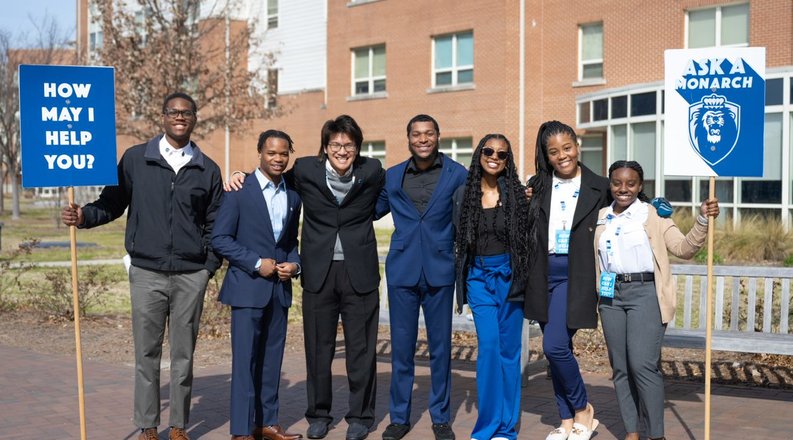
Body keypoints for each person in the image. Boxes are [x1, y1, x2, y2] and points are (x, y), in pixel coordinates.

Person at [61, 92, 224, 440]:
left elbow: (215, 224)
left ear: (195, 119)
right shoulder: (136, 159)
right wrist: (84, 216)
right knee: (146, 354)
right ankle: (149, 425)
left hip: (190, 275)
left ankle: (179, 425)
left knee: (183, 355)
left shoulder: (207, 169)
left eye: (187, 113)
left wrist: (207, 268)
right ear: (162, 117)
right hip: (147, 274)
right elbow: (112, 203)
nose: (180, 117)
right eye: (173, 112)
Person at [228, 115, 384, 440]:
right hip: (318, 271)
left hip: (360, 272)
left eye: (349, 145)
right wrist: (239, 175)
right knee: (318, 348)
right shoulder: (305, 170)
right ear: (325, 147)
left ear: (358, 148)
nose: (342, 150)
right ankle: (318, 414)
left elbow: (385, 200)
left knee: (361, 348)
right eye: (336, 144)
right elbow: (272, 178)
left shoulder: (372, 171)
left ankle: (360, 416)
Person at [595, 160, 719, 440]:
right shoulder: (602, 215)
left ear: (640, 186)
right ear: (610, 184)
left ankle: (656, 434)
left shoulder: (653, 215)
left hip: (646, 294)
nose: (623, 188)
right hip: (610, 295)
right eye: (617, 182)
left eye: (630, 183)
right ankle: (632, 430)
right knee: (621, 367)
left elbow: (684, 248)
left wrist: (702, 219)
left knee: (642, 364)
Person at [375, 114, 467, 440]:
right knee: (402, 348)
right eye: (417, 134)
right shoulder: (392, 176)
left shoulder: (458, 174)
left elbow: (473, 213)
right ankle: (399, 417)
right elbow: (367, 209)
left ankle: (441, 417)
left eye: (429, 133)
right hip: (402, 272)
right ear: (409, 139)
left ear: (438, 136)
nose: (423, 139)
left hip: (440, 272)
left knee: (440, 349)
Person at [211, 130, 303, 440]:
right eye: (271, 153)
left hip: (279, 291)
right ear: (259, 153)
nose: (278, 159)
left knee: (271, 362)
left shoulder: (292, 196)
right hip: (248, 289)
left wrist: (295, 264)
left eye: (283, 154)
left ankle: (267, 423)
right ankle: (241, 430)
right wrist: (255, 262)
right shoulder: (238, 190)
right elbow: (220, 239)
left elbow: (290, 241)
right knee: (245, 362)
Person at [524, 121, 604, 440]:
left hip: (577, 272)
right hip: (543, 272)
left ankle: (584, 409)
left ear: (577, 145)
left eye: (567, 148)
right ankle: (567, 420)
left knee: (554, 346)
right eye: (554, 151)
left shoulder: (601, 186)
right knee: (561, 347)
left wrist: (658, 211)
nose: (563, 156)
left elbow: (633, 207)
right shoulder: (538, 184)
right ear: (547, 155)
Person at [452, 134, 531, 440]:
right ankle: (486, 427)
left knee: (509, 352)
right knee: (488, 348)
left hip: (510, 278)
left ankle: (506, 428)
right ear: (479, 154)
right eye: (489, 151)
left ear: (508, 160)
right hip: (478, 279)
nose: (495, 156)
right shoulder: (464, 195)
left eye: (502, 153)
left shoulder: (516, 195)